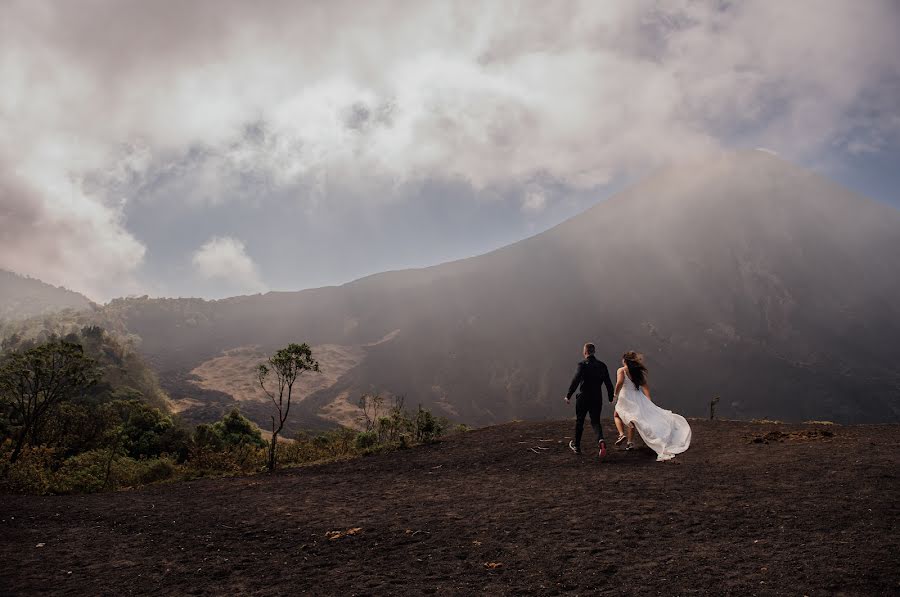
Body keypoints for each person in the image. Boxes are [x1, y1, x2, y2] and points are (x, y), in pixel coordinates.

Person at [613, 351, 691, 462]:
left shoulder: (621, 370)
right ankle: (629, 442)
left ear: (624, 360)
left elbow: (620, 382)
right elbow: (645, 386)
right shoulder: (637, 372)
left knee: (617, 415)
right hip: (637, 396)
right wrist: (648, 400)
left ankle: (621, 434)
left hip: (626, 396)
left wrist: (615, 394)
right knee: (633, 419)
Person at [563, 343, 614, 458]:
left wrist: (568, 395)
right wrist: (610, 397)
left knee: (580, 421)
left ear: (585, 352)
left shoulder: (582, 365)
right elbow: (608, 383)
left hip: (583, 397)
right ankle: (601, 441)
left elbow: (575, 380)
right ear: (594, 351)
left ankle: (577, 446)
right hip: (597, 397)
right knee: (596, 421)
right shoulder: (602, 365)